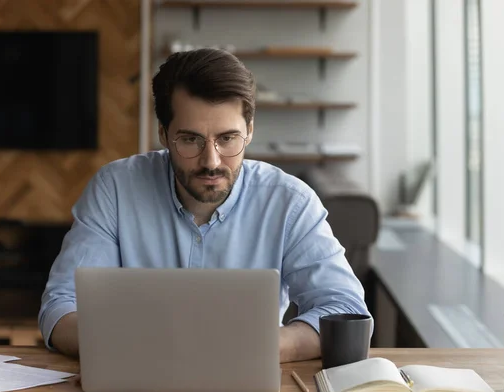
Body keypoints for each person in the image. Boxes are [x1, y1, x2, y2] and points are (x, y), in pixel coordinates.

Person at [38, 48, 371, 362]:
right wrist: (141, 348)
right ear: (164, 134)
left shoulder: (290, 202)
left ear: (250, 130)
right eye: (190, 140)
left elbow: (344, 308)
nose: (211, 161)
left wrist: (263, 347)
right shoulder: (114, 189)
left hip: (249, 376)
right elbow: (60, 308)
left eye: (227, 139)